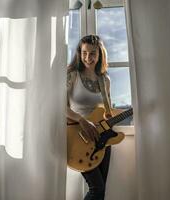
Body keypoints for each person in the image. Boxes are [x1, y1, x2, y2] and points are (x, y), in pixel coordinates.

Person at [67, 35, 111, 200]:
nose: (88, 58)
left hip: (102, 136)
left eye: (93, 53)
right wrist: (81, 120)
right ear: (79, 53)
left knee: (100, 190)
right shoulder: (71, 75)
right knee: (97, 189)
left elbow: (107, 112)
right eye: (84, 53)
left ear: (100, 54)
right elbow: (59, 106)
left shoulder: (105, 80)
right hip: (78, 136)